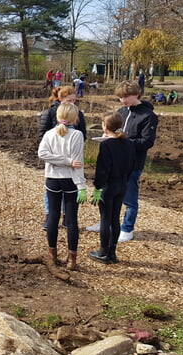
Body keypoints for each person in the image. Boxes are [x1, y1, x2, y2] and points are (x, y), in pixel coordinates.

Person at [86, 81, 158, 242]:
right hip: (113, 162)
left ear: (137, 95)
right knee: (108, 193)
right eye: (120, 97)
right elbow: (116, 131)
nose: (123, 100)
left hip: (132, 163)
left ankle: (127, 228)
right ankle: (106, 222)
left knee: (130, 197)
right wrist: (108, 137)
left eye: (126, 97)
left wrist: (122, 142)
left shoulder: (148, 116)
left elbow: (147, 142)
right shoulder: (121, 111)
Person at [38, 103, 87, 270]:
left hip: (52, 178)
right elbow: (77, 163)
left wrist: (62, 161)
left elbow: (43, 154)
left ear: (58, 117)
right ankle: (72, 260)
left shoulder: (49, 134)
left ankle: (52, 254)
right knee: (72, 219)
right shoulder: (77, 135)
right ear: (75, 118)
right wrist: (82, 185)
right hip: (70, 180)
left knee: (52, 216)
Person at [88, 112, 136, 264]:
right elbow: (132, 165)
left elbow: (102, 169)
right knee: (115, 218)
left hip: (108, 186)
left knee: (105, 219)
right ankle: (112, 252)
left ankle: (103, 252)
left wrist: (97, 187)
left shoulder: (106, 145)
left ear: (105, 126)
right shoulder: (128, 143)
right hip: (122, 184)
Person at [38, 86, 87, 230]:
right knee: (51, 191)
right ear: (60, 100)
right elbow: (43, 135)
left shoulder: (78, 114)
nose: (72, 103)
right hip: (55, 163)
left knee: (68, 192)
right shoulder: (50, 113)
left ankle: (67, 217)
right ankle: (50, 216)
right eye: (69, 100)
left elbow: (82, 134)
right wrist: (61, 157)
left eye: (74, 100)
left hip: (71, 161)